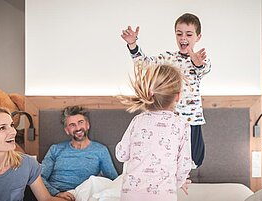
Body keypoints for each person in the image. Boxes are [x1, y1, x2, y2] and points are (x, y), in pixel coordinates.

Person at [121, 13, 211, 167]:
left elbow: (203, 69)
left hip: (191, 120)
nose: (183, 37)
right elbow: (144, 64)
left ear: (198, 37)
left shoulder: (200, 59)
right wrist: (132, 45)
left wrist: (197, 63)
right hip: (167, 119)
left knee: (195, 158)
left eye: (189, 34)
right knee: (167, 156)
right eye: (179, 33)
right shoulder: (167, 57)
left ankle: (183, 179)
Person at [116, 63, 192, 201]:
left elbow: (121, 155)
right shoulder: (181, 125)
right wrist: (178, 183)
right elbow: (184, 165)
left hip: (131, 195)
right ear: (177, 96)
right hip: (163, 195)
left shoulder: (137, 121)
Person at [0, 106, 63, 201]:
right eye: (2, 128)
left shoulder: (27, 163)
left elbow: (46, 199)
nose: (13, 132)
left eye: (11, 125)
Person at [41, 105, 118, 201]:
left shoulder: (100, 150)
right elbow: (40, 178)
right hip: (55, 196)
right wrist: (57, 193)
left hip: (83, 195)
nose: (78, 128)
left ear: (87, 125)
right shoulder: (55, 149)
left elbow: (114, 181)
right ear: (67, 130)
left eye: (80, 122)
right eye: (72, 125)